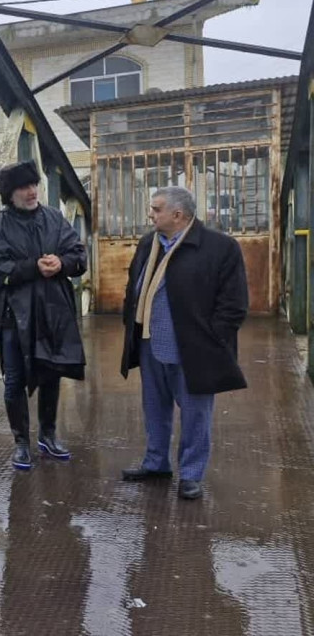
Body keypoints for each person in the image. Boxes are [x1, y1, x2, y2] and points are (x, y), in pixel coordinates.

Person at [121, 186, 248, 500]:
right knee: (154, 409)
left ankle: (191, 475)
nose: (150, 214)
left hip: (194, 349)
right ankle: (156, 463)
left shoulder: (220, 248)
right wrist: (130, 322)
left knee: (195, 415)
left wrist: (212, 339)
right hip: (150, 344)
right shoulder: (149, 243)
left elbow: (234, 304)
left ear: (177, 215)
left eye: (156, 209)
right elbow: (133, 286)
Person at [0, 161, 87, 470]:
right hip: (13, 317)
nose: (31, 192)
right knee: (14, 380)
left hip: (51, 312)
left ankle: (48, 435)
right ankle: (20, 442)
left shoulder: (54, 218)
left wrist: (63, 263)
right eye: (23, 187)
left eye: (33, 185)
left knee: (51, 373)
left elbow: (79, 256)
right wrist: (32, 268)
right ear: (9, 194)